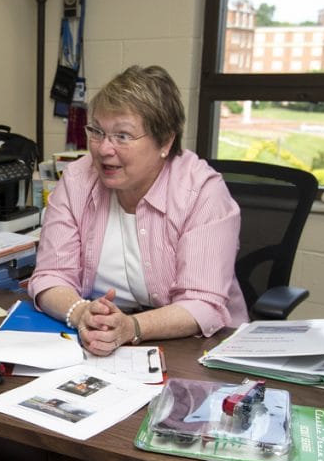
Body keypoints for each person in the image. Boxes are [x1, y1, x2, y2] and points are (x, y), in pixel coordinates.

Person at [28, 65, 247, 356]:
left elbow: (202, 304)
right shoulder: (78, 180)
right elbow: (50, 275)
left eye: (122, 136)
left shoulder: (202, 192)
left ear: (165, 142)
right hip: (96, 344)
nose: (104, 149)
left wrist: (130, 327)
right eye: (97, 132)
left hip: (196, 350)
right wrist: (82, 313)